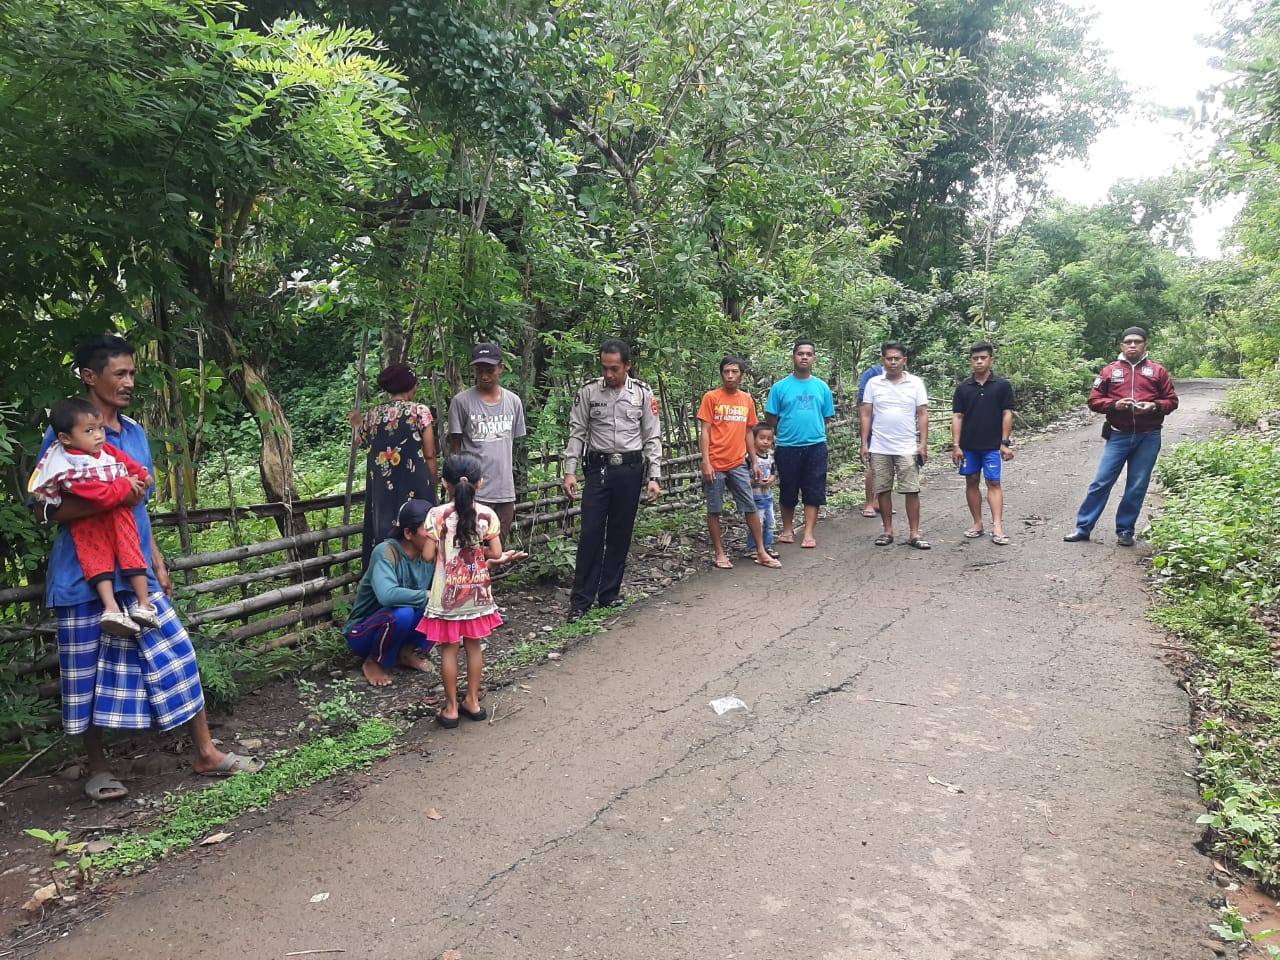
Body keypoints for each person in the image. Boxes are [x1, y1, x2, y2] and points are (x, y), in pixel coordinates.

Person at [32, 335, 261, 802]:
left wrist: (155, 557)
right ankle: (98, 768)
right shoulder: (66, 432)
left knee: (177, 655)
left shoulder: (134, 433)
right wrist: (116, 496)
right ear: (89, 377)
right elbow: (47, 510)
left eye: (132, 373)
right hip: (83, 573)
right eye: (119, 373)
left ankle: (206, 752)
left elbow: (141, 505)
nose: (129, 382)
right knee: (86, 673)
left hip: (135, 569)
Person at [28, 397, 160, 636]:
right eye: (90, 431)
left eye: (100, 428)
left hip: (121, 521)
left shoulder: (118, 441)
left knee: (132, 554)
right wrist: (125, 486)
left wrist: (141, 475)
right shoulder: (65, 464)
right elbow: (100, 496)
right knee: (97, 562)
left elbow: (126, 462)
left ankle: (144, 604)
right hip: (87, 529)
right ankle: (111, 608)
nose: (99, 435)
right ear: (65, 438)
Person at [417, 455, 523, 727]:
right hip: (477, 593)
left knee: (449, 649)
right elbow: (496, 553)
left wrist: (443, 549)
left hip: (447, 596)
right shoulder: (487, 515)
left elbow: (427, 556)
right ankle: (473, 702)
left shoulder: (436, 515)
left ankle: (451, 708)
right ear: (480, 483)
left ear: (445, 483)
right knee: (474, 646)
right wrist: (477, 551)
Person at [562, 340, 663, 619]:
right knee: (590, 532)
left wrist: (654, 476)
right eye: (605, 368)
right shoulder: (589, 392)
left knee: (620, 532)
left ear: (627, 366)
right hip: (599, 469)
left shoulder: (642, 393)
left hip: (630, 469)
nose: (609, 374)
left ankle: (609, 594)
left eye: (615, 369)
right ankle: (580, 601)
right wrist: (570, 470)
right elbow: (577, 432)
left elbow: (652, 436)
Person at [1065, 326, 1179, 546]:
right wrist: (1115, 405)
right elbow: (1094, 401)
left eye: (1137, 341)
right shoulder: (1109, 371)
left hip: (1148, 436)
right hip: (1118, 435)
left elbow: (1172, 401)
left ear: (1145, 344)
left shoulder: (1158, 371)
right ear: (1122, 345)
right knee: (1101, 482)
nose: (1132, 345)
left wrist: (1154, 406)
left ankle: (1125, 530)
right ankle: (1083, 528)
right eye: (1128, 342)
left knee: (1137, 485)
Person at [697, 357, 781, 570]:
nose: (730, 376)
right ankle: (719, 553)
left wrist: (754, 461)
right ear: (721, 374)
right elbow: (705, 431)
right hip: (715, 462)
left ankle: (760, 551)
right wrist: (706, 461)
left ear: (741, 375)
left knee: (750, 506)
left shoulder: (746, 399)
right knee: (714, 509)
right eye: (726, 372)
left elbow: (748, 432)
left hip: (737, 462)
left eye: (734, 371)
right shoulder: (711, 397)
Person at [353, 362, 438, 570]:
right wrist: (433, 482)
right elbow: (430, 453)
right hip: (416, 483)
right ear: (411, 386)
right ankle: (424, 578)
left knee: (384, 530)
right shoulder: (419, 412)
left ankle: (386, 575)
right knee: (421, 529)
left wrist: (356, 423)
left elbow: (359, 440)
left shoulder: (372, 415)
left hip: (382, 488)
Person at [344, 499, 437, 687]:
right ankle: (373, 661)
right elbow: (387, 595)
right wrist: (426, 595)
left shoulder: (429, 554)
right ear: (408, 533)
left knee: (439, 604)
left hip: (397, 625)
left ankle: (404, 653)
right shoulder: (386, 552)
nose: (434, 534)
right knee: (404, 612)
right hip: (363, 632)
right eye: (428, 528)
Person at [446, 342, 527, 542]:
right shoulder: (461, 402)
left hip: (504, 489)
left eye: (489, 370)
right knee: (471, 545)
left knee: (498, 547)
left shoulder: (513, 402)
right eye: (479, 370)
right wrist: (456, 489)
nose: (484, 376)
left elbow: (513, 444)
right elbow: (455, 449)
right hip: (473, 490)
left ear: (501, 368)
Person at [764, 339, 835, 549]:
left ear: (814, 359)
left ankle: (809, 533)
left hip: (815, 445)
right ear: (793, 357)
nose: (804, 357)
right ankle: (787, 529)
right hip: (787, 446)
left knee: (814, 488)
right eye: (800, 353)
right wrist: (784, 432)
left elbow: (826, 416)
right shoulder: (780, 387)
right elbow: (771, 417)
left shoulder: (821, 387)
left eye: (808, 354)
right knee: (788, 488)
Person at [860, 340, 931, 550]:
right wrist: (864, 443)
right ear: (883, 360)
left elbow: (922, 414)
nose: (893, 362)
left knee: (911, 489)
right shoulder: (874, 384)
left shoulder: (915, 383)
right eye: (889, 358)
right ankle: (887, 530)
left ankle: (914, 533)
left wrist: (923, 444)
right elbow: (866, 414)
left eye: (897, 359)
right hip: (880, 445)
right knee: (882, 489)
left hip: (907, 446)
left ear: (904, 360)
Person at [951, 342, 1016, 546]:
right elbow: (958, 416)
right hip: (968, 445)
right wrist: (956, 445)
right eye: (975, 358)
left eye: (983, 358)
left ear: (990, 359)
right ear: (971, 361)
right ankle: (977, 523)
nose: (979, 361)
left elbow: (1007, 413)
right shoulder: (963, 388)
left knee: (993, 482)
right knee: (971, 481)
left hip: (992, 445)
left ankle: (997, 526)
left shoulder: (1002, 385)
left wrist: (1004, 442)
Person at [856, 360, 885, 518]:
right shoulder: (873, 373)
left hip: (892, 430)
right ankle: (869, 502)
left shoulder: (902, 377)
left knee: (888, 467)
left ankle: (879, 501)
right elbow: (863, 403)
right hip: (874, 426)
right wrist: (866, 431)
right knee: (873, 466)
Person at [745, 422, 778, 557]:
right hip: (754, 496)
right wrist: (754, 482)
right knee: (757, 523)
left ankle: (767, 546)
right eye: (762, 438)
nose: (765, 442)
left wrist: (770, 480)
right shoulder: (749, 458)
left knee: (769, 522)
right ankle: (752, 548)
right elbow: (743, 478)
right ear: (753, 439)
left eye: (769, 439)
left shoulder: (770, 457)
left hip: (767, 496)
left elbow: (773, 473)